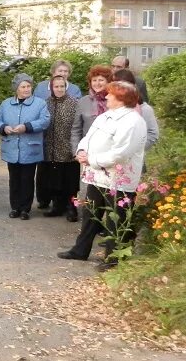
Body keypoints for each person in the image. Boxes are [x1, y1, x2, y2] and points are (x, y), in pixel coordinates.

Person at [58, 81, 148, 269]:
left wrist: (92, 160)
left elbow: (120, 153)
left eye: (111, 94)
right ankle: (80, 250)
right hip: (97, 177)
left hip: (118, 180)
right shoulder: (105, 116)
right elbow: (87, 137)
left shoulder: (133, 121)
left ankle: (114, 259)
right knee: (90, 215)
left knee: (117, 219)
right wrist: (81, 151)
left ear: (122, 99)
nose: (106, 96)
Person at [0, 73, 50, 219]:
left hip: (30, 148)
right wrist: (3, 127)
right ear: (16, 89)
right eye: (23, 86)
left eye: (28, 86)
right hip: (11, 148)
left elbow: (45, 121)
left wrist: (27, 127)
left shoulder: (40, 103)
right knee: (14, 179)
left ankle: (25, 209)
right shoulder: (6, 103)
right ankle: (15, 207)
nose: (26, 89)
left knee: (27, 179)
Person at [37, 74, 81, 220]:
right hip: (51, 148)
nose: (59, 89)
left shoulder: (74, 103)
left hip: (68, 148)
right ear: (51, 88)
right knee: (54, 180)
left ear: (66, 87)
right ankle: (57, 206)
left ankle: (71, 208)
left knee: (70, 182)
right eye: (56, 86)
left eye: (62, 86)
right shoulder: (46, 103)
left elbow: (78, 126)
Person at [70, 64, 114, 161]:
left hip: (110, 152)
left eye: (101, 80)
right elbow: (76, 129)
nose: (97, 83)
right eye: (94, 80)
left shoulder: (115, 100)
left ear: (108, 82)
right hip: (87, 153)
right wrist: (76, 152)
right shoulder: (83, 101)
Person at [112, 68, 160, 150]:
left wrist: (135, 149)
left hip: (134, 158)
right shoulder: (112, 106)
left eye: (118, 85)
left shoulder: (144, 109)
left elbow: (153, 134)